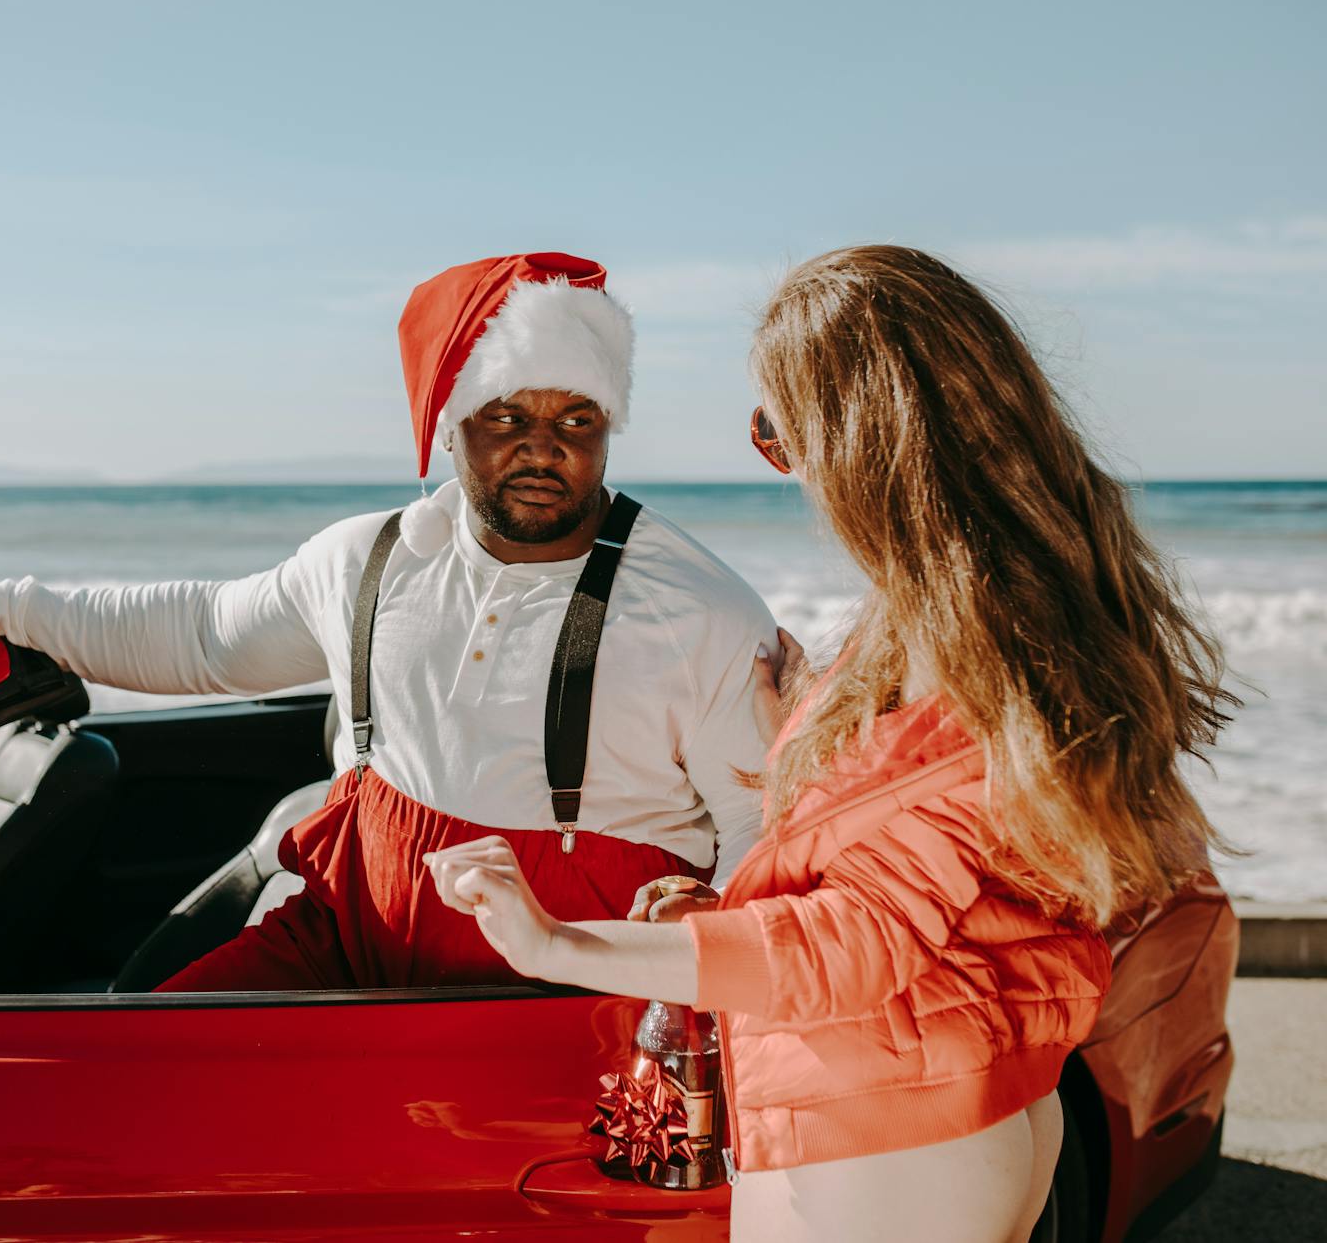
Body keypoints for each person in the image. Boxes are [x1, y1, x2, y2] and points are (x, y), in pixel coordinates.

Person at [425, 245, 1234, 1242]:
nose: (783, 465)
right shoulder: (991, 611)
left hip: (887, 1146)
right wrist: (811, 743)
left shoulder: (961, 655)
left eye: (776, 429)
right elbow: (935, 851)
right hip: (970, 1106)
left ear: (856, 437)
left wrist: (553, 941)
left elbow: (849, 947)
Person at [0, 251, 777, 992]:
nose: (545, 445)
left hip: (560, 1004)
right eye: (507, 415)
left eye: (578, 418)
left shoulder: (702, 610)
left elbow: (766, 828)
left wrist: (713, 922)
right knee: (141, 1069)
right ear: (453, 420)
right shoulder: (372, 558)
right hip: (343, 944)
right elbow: (202, 637)